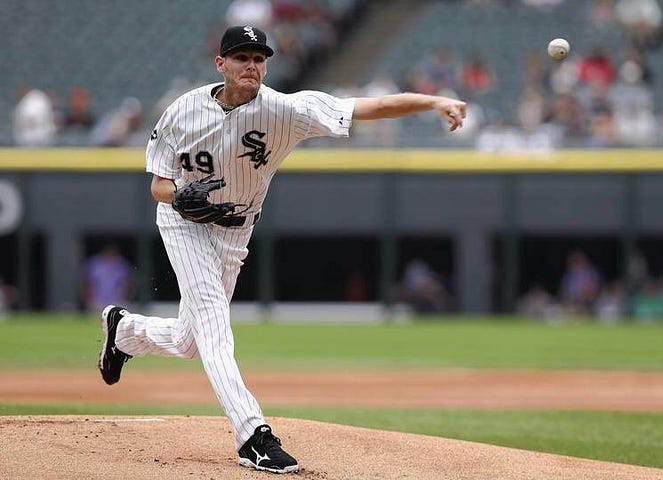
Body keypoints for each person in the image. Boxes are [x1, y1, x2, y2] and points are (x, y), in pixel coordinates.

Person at [97, 24, 466, 475]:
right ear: (221, 64)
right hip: (184, 224)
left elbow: (369, 107)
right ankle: (252, 434)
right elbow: (158, 184)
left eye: (259, 58)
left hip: (235, 233)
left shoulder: (285, 110)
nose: (252, 65)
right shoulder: (182, 110)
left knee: (191, 341)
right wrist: (177, 196)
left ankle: (124, 331)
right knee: (214, 323)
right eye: (241, 58)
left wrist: (433, 102)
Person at [81, 243, 134, 312]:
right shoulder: (94, 263)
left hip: (117, 301)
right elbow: (85, 281)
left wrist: (124, 297)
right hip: (96, 301)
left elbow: (129, 282)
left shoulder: (121, 264)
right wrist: (87, 298)